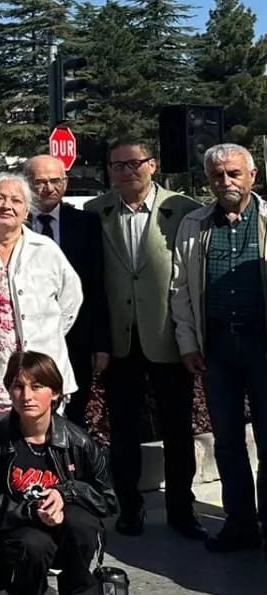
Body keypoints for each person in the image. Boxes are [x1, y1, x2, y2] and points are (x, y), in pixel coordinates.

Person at [85, 137, 203, 539]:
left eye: (134, 164)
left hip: (167, 336)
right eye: (117, 165)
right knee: (124, 431)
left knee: (176, 429)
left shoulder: (182, 210)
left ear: (151, 165)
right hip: (122, 340)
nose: (126, 172)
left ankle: (182, 510)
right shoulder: (95, 211)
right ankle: (129, 508)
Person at [170, 143, 267, 554]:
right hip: (217, 349)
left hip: (263, 345)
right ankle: (240, 521)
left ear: (252, 176)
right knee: (226, 440)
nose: (224, 182)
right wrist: (189, 342)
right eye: (216, 175)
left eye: (233, 174)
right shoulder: (194, 223)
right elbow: (180, 289)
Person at [0, 350, 118, 595]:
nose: (26, 395)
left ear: (54, 393)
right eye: (18, 386)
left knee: (83, 523)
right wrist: (33, 511)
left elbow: (108, 501)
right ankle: (23, 592)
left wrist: (66, 493)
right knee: (34, 542)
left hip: (68, 532)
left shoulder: (79, 442)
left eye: (37, 386)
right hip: (17, 533)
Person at [0, 175, 83, 418]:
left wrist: (48, 330)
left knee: (42, 442)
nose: (6, 206)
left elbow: (71, 298)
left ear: (26, 210)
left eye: (16, 200)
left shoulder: (45, 250)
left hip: (40, 366)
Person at [24, 154, 109, 427]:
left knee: (74, 413)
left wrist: (101, 344)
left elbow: (97, 285)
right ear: (27, 184)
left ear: (65, 182)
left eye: (55, 181)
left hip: (77, 338)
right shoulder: (16, 224)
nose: (48, 188)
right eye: (40, 182)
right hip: (28, 336)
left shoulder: (87, 224)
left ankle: (70, 467)